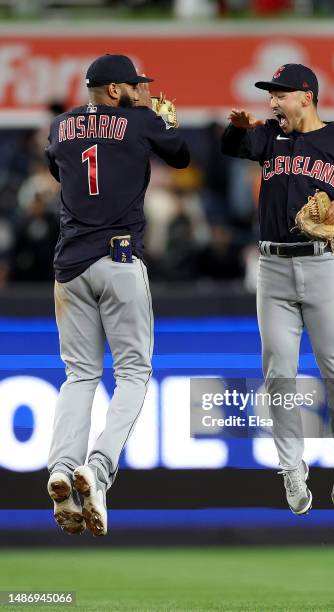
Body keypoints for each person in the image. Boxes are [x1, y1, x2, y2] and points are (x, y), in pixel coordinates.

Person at [222, 63, 334, 515]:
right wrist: (235, 132)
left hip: (323, 263)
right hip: (271, 267)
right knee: (278, 375)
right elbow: (232, 148)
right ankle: (292, 468)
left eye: (280, 95)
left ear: (305, 96)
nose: (272, 102)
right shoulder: (270, 137)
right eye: (271, 95)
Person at [45, 54, 190, 536]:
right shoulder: (138, 120)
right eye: (133, 85)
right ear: (113, 90)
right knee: (133, 373)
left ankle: (62, 469)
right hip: (119, 260)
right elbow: (182, 156)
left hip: (69, 266)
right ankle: (99, 468)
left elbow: (57, 167)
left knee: (79, 375)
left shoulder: (61, 125)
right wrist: (160, 120)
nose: (141, 90)